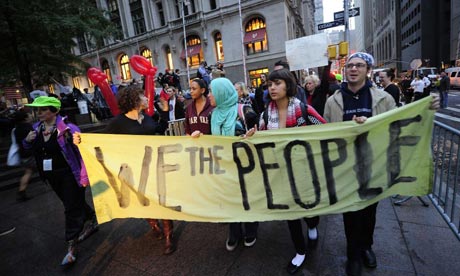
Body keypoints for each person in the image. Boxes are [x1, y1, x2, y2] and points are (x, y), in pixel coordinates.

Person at [323, 52, 439, 276]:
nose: (353, 69)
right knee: (350, 213)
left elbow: (400, 124)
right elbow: (328, 132)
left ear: (368, 71)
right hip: (346, 168)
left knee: (369, 212)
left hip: (375, 165)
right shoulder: (332, 101)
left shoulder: (384, 99)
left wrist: (427, 106)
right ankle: (353, 255)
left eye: (359, 66)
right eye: (349, 66)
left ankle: (367, 246)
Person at [258, 68, 326, 275]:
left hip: (304, 171)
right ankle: (299, 251)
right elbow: (260, 138)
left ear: (288, 85)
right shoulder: (265, 115)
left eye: (277, 83)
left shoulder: (304, 110)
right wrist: (251, 134)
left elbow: (326, 130)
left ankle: (313, 225)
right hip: (279, 173)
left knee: (308, 208)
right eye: (270, 84)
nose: (272, 88)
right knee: (291, 213)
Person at [23, 96, 97, 266]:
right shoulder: (37, 128)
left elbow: (83, 153)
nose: (39, 113)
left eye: (43, 110)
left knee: (70, 207)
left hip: (70, 174)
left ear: (54, 111)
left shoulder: (68, 128)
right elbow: (29, 149)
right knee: (71, 203)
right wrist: (27, 141)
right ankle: (91, 219)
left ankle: (71, 244)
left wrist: (84, 176)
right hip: (51, 175)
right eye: (37, 110)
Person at [104, 86, 178, 255]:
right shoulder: (118, 122)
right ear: (134, 101)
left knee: (161, 198)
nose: (147, 98)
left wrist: (165, 112)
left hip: (154, 166)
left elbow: (160, 129)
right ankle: (153, 224)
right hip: (134, 168)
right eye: (143, 96)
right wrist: (81, 140)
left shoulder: (148, 118)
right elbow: (102, 140)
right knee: (143, 200)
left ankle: (168, 235)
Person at [207, 77, 258, 252]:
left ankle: (251, 230)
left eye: (211, 91)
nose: (209, 95)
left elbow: (260, 137)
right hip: (224, 167)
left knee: (247, 199)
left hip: (245, 166)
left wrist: (251, 137)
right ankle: (234, 232)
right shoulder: (212, 115)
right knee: (229, 200)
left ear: (221, 93)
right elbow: (211, 139)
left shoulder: (246, 111)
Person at [12, 109, 34, 201]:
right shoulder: (28, 127)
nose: (30, 116)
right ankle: (21, 191)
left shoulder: (16, 129)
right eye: (29, 115)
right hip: (29, 153)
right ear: (25, 118)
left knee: (28, 171)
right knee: (28, 172)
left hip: (22, 153)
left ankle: (22, 191)